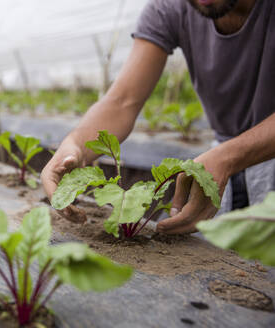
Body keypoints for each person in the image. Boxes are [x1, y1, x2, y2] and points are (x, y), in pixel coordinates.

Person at [41, 0, 275, 234]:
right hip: (223, 154)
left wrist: (228, 157)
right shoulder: (169, 8)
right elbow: (123, 101)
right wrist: (76, 145)